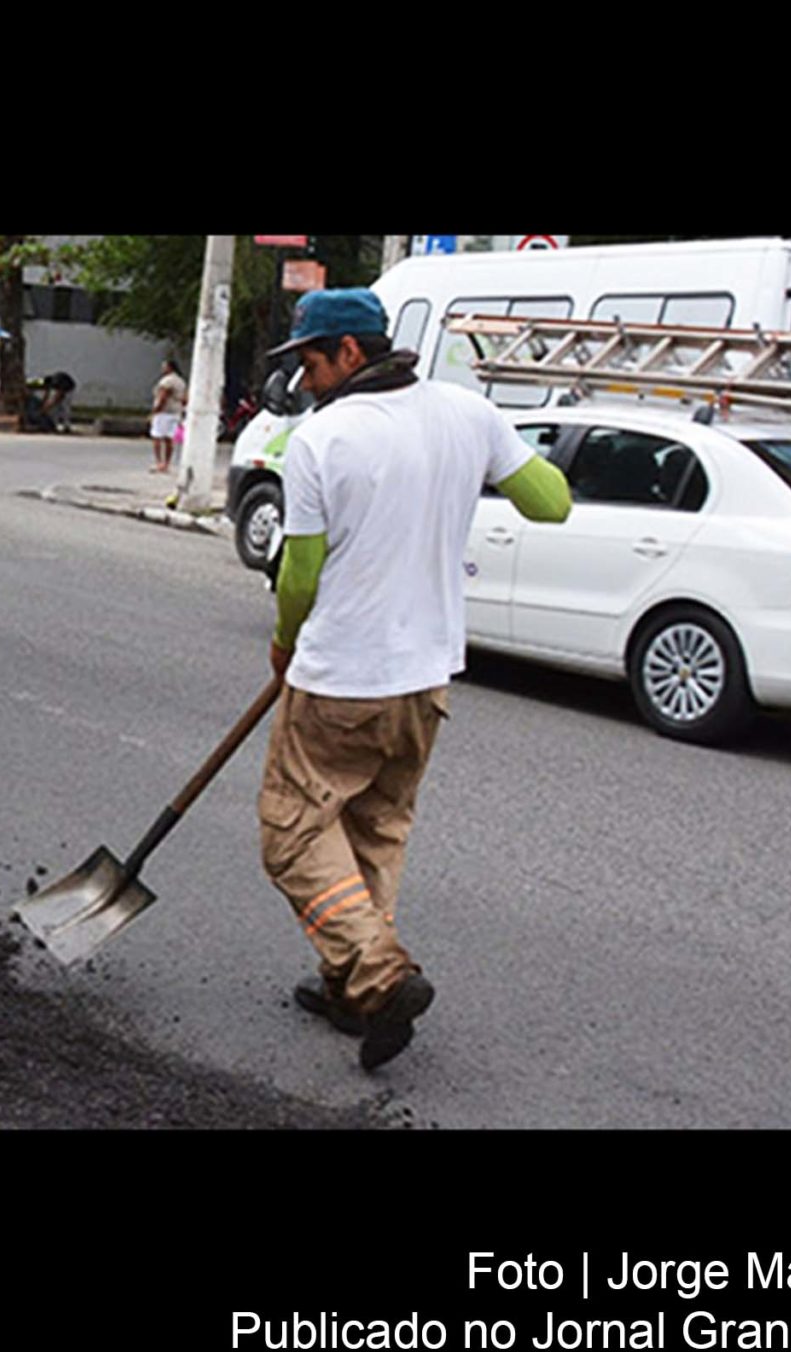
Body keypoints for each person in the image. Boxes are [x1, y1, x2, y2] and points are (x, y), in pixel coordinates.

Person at [259, 288, 572, 1071]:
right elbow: (553, 503)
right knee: (373, 827)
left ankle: (376, 970)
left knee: (293, 832)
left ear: (352, 353)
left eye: (311, 360)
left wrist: (283, 643)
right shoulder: (468, 414)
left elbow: (299, 573)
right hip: (426, 678)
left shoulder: (320, 440)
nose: (306, 378)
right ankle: (351, 987)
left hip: (341, 675)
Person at [151, 358, 187, 473]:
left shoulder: (166, 381)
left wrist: (155, 410)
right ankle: (167, 463)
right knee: (169, 439)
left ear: (169, 367)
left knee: (157, 437)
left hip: (164, 412)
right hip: (175, 412)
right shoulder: (181, 381)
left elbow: (162, 397)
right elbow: (185, 398)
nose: (162, 369)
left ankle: (159, 463)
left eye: (164, 366)